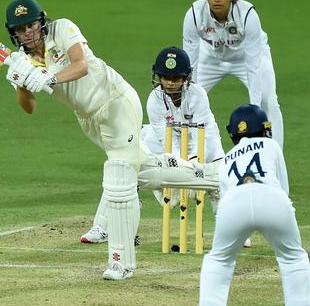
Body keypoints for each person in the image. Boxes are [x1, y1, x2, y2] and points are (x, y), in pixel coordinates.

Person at [3, 0, 142, 281]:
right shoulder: (23, 61)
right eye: (21, 29)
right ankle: (209, 178)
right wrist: (21, 83)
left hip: (115, 102)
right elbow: (29, 108)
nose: (28, 32)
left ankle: (121, 262)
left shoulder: (62, 28)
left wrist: (50, 78)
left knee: (119, 176)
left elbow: (81, 65)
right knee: (144, 168)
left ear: (41, 22)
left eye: (31, 25)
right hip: (88, 118)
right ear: (13, 32)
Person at [80, 47, 233, 245]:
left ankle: (234, 231)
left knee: (222, 179)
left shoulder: (198, 95)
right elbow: (165, 138)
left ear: (186, 77)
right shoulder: (154, 99)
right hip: (163, 140)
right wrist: (180, 166)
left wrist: (194, 163)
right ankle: (103, 226)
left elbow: (198, 135)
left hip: (205, 139)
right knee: (126, 164)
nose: (169, 83)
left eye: (176, 78)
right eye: (165, 77)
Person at [198, 104, 310, 306]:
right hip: (272, 198)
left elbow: (225, 201)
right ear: (264, 129)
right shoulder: (271, 145)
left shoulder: (226, 160)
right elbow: (283, 189)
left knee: (218, 260)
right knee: (293, 258)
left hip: (233, 204)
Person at [183, 0, 285, 148]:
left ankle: (274, 157)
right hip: (211, 58)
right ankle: (187, 156)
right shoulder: (194, 14)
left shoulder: (247, 14)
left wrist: (255, 111)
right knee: (186, 101)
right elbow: (190, 62)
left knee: (268, 101)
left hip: (245, 57)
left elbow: (253, 65)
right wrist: (192, 96)